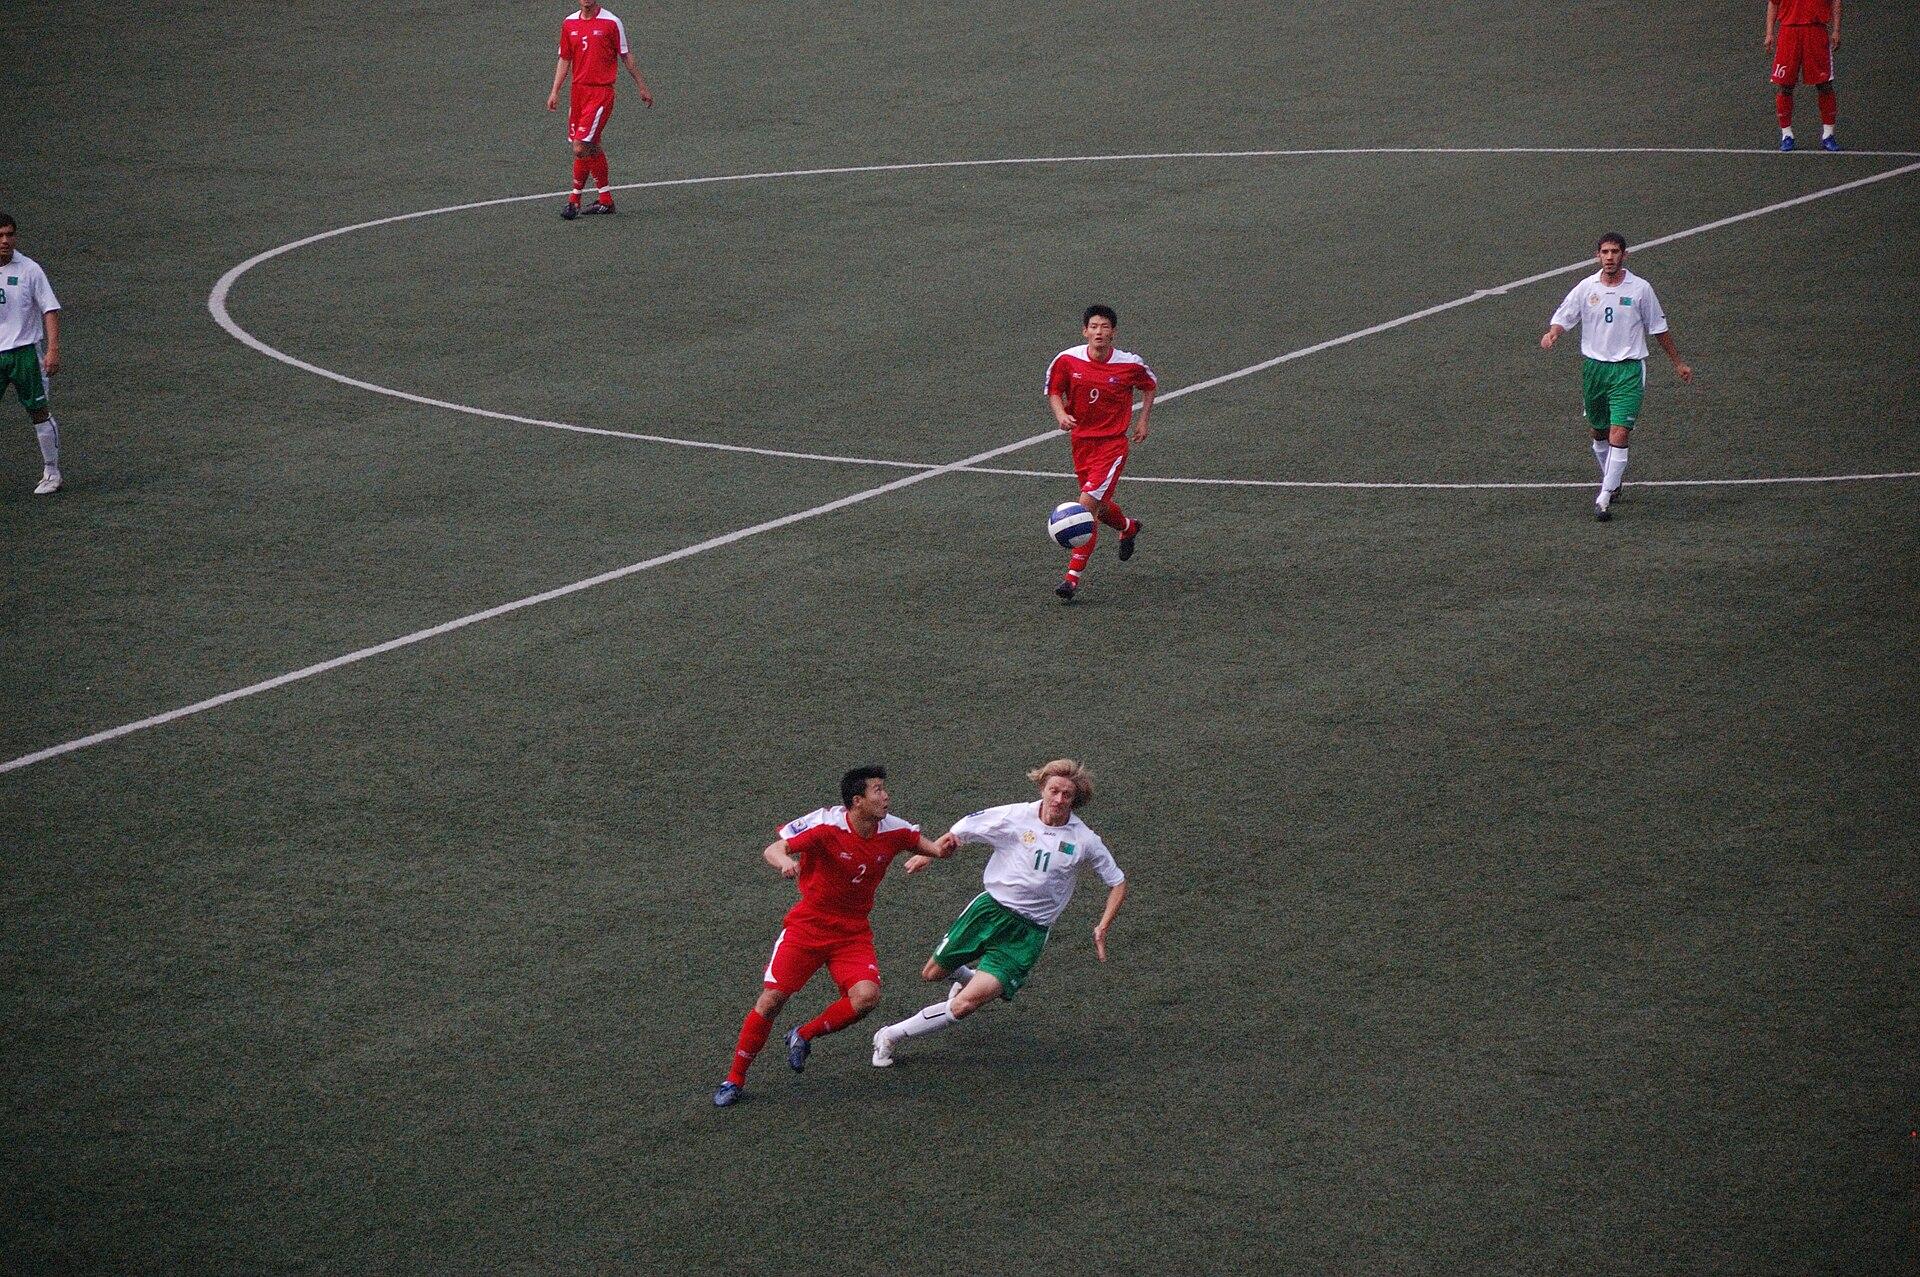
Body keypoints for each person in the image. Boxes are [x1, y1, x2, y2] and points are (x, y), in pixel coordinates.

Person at [713, 766, 949, 1107]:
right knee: (771, 1001)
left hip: (852, 933)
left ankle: (802, 1035)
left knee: (867, 998)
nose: (886, 797)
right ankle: (734, 1078)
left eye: (885, 789)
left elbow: (934, 849)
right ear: (857, 801)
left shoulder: (894, 830)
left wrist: (950, 844)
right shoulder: (826, 827)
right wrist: (783, 862)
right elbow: (774, 849)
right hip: (808, 927)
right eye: (878, 791)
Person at [870, 759, 1128, 1068]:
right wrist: (932, 854)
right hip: (988, 911)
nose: (1059, 799)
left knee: (964, 1006)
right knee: (932, 974)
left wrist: (1103, 925)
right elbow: (964, 828)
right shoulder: (1015, 816)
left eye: (1067, 795)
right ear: (1042, 789)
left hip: (1028, 935)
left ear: (1076, 799)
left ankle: (889, 1035)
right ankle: (967, 976)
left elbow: (1117, 882)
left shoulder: (1084, 840)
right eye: (1054, 791)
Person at [1540, 233, 1693, 521]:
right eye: (1604, 252)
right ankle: (1613, 480)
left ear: (1625, 255)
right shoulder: (1587, 287)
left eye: (1614, 252)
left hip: (1628, 369)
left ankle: (1604, 497)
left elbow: (1658, 328)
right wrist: (1553, 333)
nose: (1609, 257)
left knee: (1619, 432)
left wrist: (1677, 362)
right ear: (1598, 255)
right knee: (1598, 432)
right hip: (1595, 369)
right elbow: (1566, 314)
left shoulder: (1640, 289)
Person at [1044, 305, 1157, 603]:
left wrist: (1143, 420)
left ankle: (1071, 580)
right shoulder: (1067, 360)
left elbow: (1149, 386)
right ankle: (1128, 527)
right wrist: (1060, 415)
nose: (1099, 332)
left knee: (1085, 508)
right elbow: (1053, 391)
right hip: (1081, 444)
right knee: (1100, 505)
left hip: (1111, 446)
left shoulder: (1129, 365)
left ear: (1113, 332)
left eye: (1105, 327)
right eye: (1094, 326)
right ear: (1085, 331)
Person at [546, 3, 653, 220]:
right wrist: (555, 91)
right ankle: (605, 200)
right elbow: (565, 58)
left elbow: (626, 56)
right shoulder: (569, 24)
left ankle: (573, 200)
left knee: (580, 146)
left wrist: (641, 86)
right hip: (578, 94)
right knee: (590, 145)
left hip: (601, 93)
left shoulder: (611, 22)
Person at [0, 214, 63, 496]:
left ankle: (52, 470)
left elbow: (49, 308)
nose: (5, 241)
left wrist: (52, 349)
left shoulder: (29, 270)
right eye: (0, 235)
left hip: (26, 353)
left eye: (10, 235)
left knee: (38, 411)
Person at [1766, 0, 1841, 151]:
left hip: (1816, 31)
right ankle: (1786, 135)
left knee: (1824, 83)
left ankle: (1828, 135)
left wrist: (1836, 30)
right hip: (1789, 32)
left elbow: (1835, 2)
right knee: (1785, 84)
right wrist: (1769, 33)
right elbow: (1773, 4)